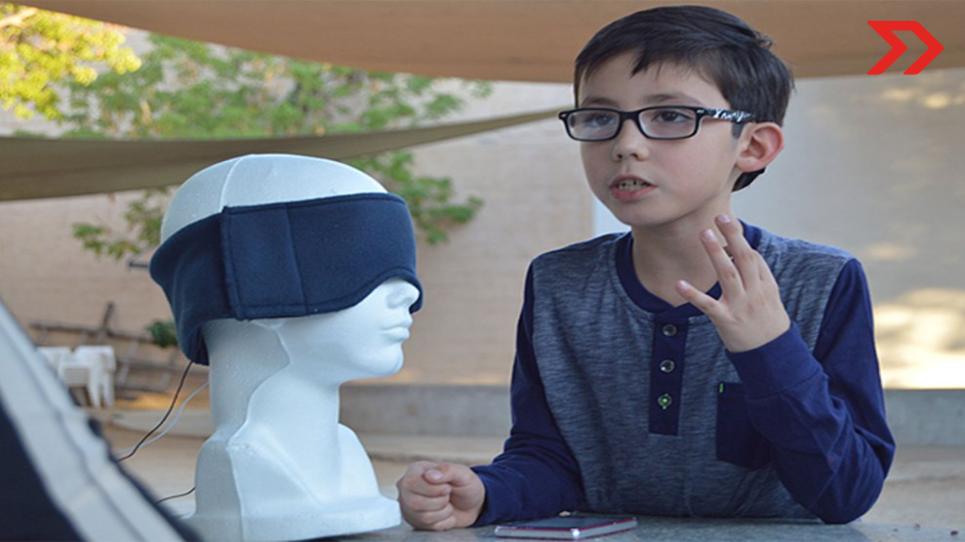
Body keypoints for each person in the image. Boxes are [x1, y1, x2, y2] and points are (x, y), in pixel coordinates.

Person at [396, 5, 894, 529]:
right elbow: (551, 459)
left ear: (752, 145)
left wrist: (770, 349)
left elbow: (846, 492)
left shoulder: (821, 281)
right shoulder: (559, 283)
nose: (625, 146)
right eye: (599, 118)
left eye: (671, 116)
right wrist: (485, 493)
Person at [149, 154, 423, 540]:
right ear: (257, 282)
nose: (409, 293)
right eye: (359, 261)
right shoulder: (241, 462)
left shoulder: (348, 455)